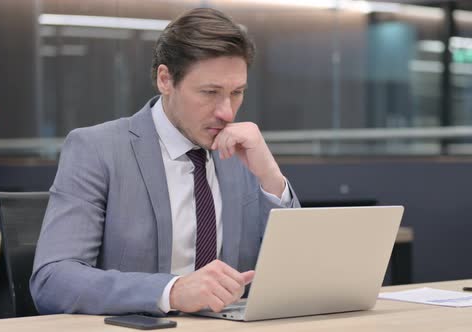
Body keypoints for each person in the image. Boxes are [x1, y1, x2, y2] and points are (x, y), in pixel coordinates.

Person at [30, 7, 299, 316]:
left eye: (237, 92)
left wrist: (270, 175)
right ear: (165, 79)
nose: (227, 112)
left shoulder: (241, 153)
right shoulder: (98, 150)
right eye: (210, 92)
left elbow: (297, 272)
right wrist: (171, 291)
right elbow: (52, 281)